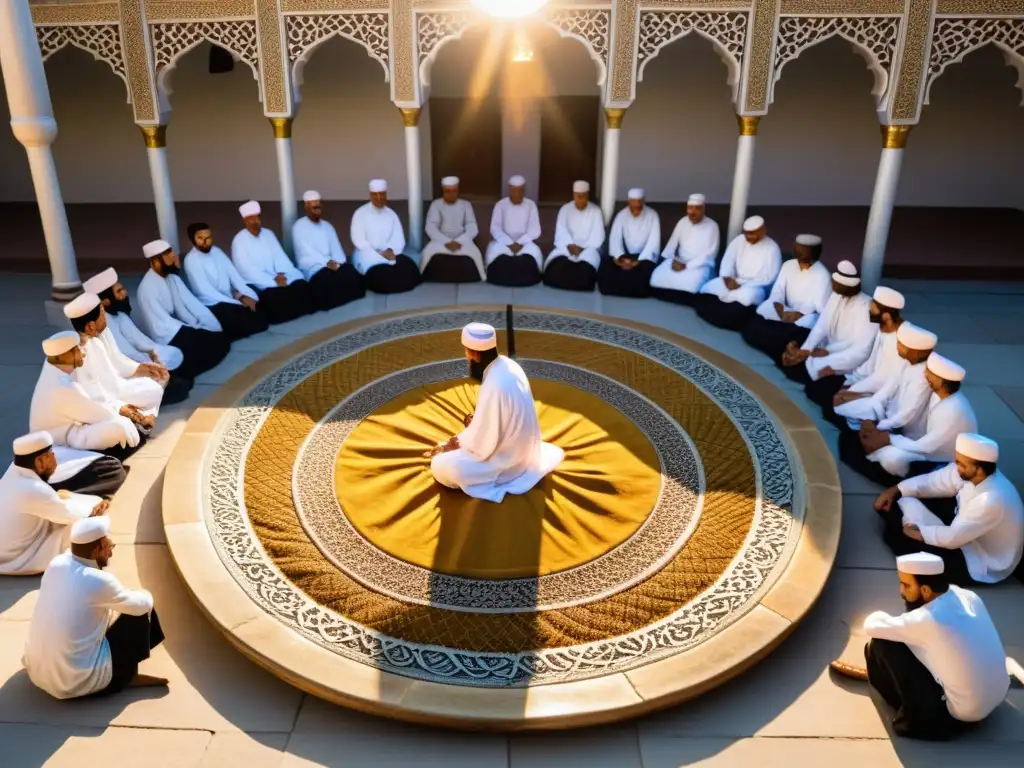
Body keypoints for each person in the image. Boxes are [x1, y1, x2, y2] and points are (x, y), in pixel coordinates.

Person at [829, 553, 1010, 741]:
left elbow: (871, 625)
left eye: (906, 586)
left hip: (960, 715)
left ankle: (911, 717)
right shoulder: (968, 596)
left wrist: (883, 617)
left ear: (925, 590)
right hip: (994, 698)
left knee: (881, 644)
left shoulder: (929, 618)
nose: (901, 591)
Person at [23, 516, 167, 699]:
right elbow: (142, 606)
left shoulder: (56, 564)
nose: (111, 554)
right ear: (95, 552)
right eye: (108, 548)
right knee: (142, 609)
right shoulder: (98, 581)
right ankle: (124, 676)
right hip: (75, 683)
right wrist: (143, 592)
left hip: (38, 673)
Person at [424, 323, 564, 502]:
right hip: (526, 451)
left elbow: (483, 445)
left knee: (442, 466)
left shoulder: (494, 385)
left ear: (474, 353)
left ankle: (499, 476)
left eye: (466, 351)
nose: (466, 355)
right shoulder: (509, 365)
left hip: (508, 463)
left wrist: (457, 444)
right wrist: (476, 425)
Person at [873, 434, 1024, 585]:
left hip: (979, 560)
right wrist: (895, 490)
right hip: (962, 527)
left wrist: (920, 533)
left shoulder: (991, 499)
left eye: (961, 464)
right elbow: (933, 481)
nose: (956, 467)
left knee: (910, 547)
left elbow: (953, 538)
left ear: (978, 469)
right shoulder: (972, 473)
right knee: (902, 499)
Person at [841, 352, 978, 485]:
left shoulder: (953, 410)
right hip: (915, 442)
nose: (925, 375)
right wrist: (874, 424)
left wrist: (888, 438)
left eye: (929, 373)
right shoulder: (937, 396)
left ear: (940, 380)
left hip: (940, 459)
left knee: (892, 459)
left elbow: (926, 447)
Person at [0, 432, 112, 575]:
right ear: (39, 462)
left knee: (68, 501)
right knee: (94, 524)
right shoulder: (34, 490)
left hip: (6, 554)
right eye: (50, 454)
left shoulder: (12, 474)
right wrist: (92, 512)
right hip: (22, 559)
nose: (55, 458)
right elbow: (71, 516)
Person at [83, 268, 193, 406]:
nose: (125, 294)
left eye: (123, 289)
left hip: (139, 364)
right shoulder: (105, 324)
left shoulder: (120, 315)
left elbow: (141, 342)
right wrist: (152, 366)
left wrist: (155, 355)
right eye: (119, 292)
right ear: (105, 302)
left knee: (179, 366)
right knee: (179, 386)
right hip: (123, 374)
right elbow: (125, 355)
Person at [30, 332, 145, 460]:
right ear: (61, 356)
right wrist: (125, 418)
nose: (83, 351)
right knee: (118, 428)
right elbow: (102, 415)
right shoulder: (62, 387)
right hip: (60, 444)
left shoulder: (52, 371)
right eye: (76, 348)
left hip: (67, 433)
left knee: (121, 423)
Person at [808, 286, 906, 426]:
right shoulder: (883, 329)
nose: (869, 309)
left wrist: (852, 393)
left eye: (873, 307)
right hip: (865, 384)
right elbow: (869, 366)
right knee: (816, 388)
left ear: (886, 316)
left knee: (833, 407)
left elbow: (883, 380)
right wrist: (845, 381)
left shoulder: (900, 340)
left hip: (880, 396)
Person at [137, 239, 231, 380]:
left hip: (178, 328)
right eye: (168, 255)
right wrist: (190, 330)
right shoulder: (147, 288)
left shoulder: (171, 278)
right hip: (167, 336)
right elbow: (159, 325)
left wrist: (198, 324)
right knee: (206, 348)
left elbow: (185, 306)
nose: (173, 256)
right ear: (156, 261)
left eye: (172, 252)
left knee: (219, 340)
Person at [63, 293, 165, 415]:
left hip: (116, 387)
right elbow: (94, 393)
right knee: (155, 390)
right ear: (90, 326)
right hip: (105, 400)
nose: (105, 317)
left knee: (155, 383)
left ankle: (142, 416)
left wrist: (145, 368)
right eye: (102, 314)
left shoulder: (99, 337)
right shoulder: (81, 354)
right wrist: (119, 406)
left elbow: (116, 363)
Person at [779, 261, 876, 385]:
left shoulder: (866, 307)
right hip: (828, 349)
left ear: (845, 286)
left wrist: (828, 353)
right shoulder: (837, 296)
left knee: (813, 373)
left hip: (846, 358)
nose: (833, 286)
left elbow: (861, 350)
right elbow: (822, 326)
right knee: (792, 357)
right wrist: (805, 350)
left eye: (836, 284)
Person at [834, 322, 937, 436]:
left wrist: (880, 426)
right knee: (842, 406)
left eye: (902, 345)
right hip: (885, 411)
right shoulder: (905, 362)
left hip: (898, 427)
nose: (898, 347)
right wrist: (863, 399)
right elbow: (889, 388)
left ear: (915, 351)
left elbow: (907, 413)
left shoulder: (923, 376)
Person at [740, 234, 831, 359]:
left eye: (804, 252)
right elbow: (777, 291)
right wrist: (780, 309)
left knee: (810, 323)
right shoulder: (788, 265)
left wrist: (799, 315)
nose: (800, 255)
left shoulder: (823, 275)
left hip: (804, 317)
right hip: (784, 309)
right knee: (762, 309)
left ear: (815, 253)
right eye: (798, 251)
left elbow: (821, 308)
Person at [231, 200, 315, 322]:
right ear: (245, 221)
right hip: (260, 282)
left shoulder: (268, 234)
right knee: (275, 296)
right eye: (251, 219)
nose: (255, 222)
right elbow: (246, 270)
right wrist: (273, 281)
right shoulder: (239, 241)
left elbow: (280, 257)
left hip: (278, 276)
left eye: (257, 218)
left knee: (300, 285)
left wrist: (282, 275)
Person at [183, 223, 271, 339]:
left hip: (229, 299)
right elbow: (205, 291)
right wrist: (237, 301)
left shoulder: (217, 252)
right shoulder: (191, 260)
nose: (206, 242)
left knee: (257, 306)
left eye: (208, 238)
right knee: (231, 315)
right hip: (211, 303)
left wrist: (246, 295)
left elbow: (235, 277)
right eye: (201, 238)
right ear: (192, 239)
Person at [694, 215, 782, 330]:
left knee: (748, 297)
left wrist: (742, 284)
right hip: (733, 280)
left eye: (752, 233)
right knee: (709, 287)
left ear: (762, 231)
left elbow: (769, 278)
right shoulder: (739, 240)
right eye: (746, 233)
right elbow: (728, 261)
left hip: (754, 286)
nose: (748, 237)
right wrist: (727, 278)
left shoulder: (772, 248)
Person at [291, 191, 366, 307]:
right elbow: (306, 252)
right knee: (327, 283)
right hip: (314, 267)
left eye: (318, 205)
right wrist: (326, 263)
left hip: (333, 264)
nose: (317, 208)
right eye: (313, 205)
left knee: (353, 275)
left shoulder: (327, 226)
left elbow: (336, 248)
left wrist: (339, 263)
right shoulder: (299, 226)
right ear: (306, 206)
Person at [350, 179, 421, 294]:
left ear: (386, 195)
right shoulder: (360, 213)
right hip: (368, 253)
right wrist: (379, 253)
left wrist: (390, 250)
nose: (379, 198)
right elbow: (358, 240)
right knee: (380, 275)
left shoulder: (391, 214)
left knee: (409, 267)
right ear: (370, 195)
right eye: (375, 195)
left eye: (382, 194)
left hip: (390, 252)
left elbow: (398, 237)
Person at [649, 194, 720, 305]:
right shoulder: (683, 221)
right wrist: (672, 260)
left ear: (703, 209)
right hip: (679, 261)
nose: (693, 212)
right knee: (656, 277)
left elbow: (710, 254)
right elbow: (672, 243)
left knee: (692, 284)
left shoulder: (712, 226)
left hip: (699, 264)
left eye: (697, 208)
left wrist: (688, 265)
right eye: (690, 208)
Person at [543, 181, 605, 292]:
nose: (580, 200)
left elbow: (598, 235)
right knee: (553, 269)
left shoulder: (596, 211)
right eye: (578, 196)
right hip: (567, 247)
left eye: (583, 196)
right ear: (573, 195)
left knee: (585, 273)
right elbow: (561, 231)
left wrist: (583, 248)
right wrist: (570, 245)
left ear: (587, 195)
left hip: (588, 249)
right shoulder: (565, 209)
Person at [598, 188, 661, 298]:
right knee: (605, 270)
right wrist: (620, 258)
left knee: (641, 276)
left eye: (639, 206)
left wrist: (637, 262)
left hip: (643, 257)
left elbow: (653, 242)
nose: (636, 209)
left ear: (643, 201)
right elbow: (615, 238)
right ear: (629, 202)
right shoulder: (621, 215)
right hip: (624, 256)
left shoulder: (652, 215)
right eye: (633, 206)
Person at [421, 177, 484, 283]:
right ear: (443, 191)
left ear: (458, 191)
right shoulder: (436, 205)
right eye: (448, 191)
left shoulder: (466, 205)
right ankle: (420, 276)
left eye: (454, 191)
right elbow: (431, 227)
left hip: (463, 241)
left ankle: (482, 277)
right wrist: (446, 241)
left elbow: (472, 226)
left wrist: (460, 241)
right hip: (440, 241)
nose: (451, 194)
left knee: (476, 254)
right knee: (427, 253)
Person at [485, 175, 543, 287]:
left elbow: (534, 229)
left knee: (535, 253)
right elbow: (495, 228)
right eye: (515, 191)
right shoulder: (500, 205)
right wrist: (509, 243)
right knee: (494, 253)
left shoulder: (531, 205)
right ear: (510, 190)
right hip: (503, 242)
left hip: (525, 243)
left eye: (521, 191)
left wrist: (520, 242)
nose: (518, 195)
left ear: (524, 191)